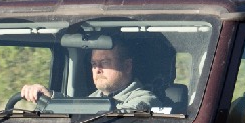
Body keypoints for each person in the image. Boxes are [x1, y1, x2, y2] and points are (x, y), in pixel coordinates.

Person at [20, 40, 159, 110]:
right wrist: (49, 97)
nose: (97, 69)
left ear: (127, 66)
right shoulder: (94, 98)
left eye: (104, 62)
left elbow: (111, 117)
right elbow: (76, 108)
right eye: (93, 64)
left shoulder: (145, 100)